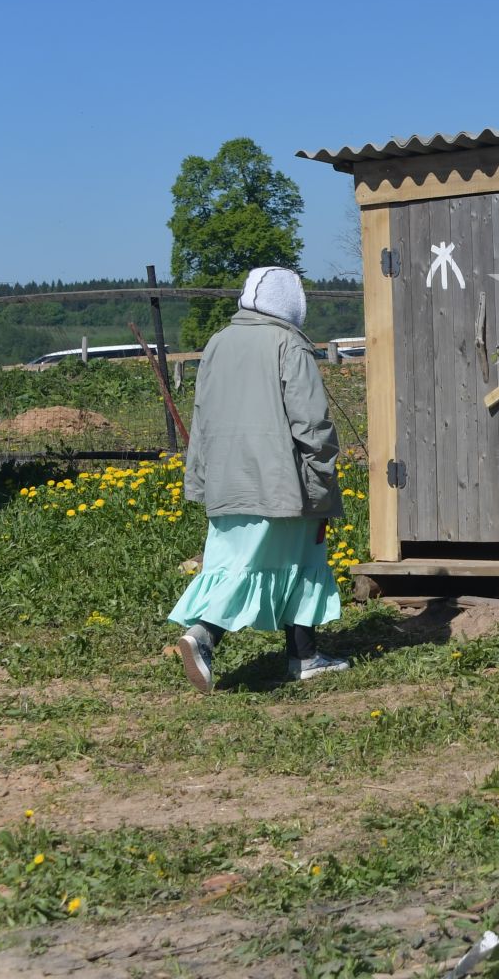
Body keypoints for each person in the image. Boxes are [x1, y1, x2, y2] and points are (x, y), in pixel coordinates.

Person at [170, 266, 349, 692]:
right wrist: (322, 481)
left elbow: (202, 418)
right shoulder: (289, 343)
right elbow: (312, 423)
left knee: (247, 563)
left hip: (225, 481)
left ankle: (304, 656)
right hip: (281, 480)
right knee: (288, 562)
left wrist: (199, 479)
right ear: (292, 304)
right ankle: (203, 636)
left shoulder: (217, 343)